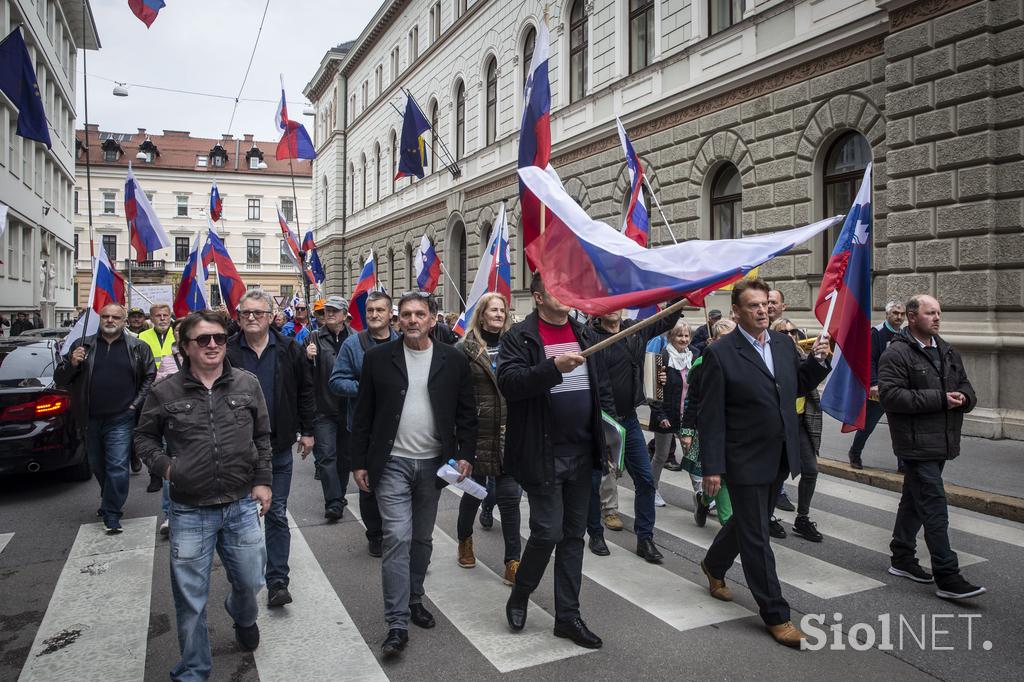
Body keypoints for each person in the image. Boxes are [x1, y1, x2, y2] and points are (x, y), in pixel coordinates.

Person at [135, 309, 272, 681]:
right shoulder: (165, 391)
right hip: (190, 509)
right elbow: (143, 437)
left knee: (250, 582)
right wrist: (166, 468)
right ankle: (194, 669)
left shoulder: (247, 384)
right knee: (190, 600)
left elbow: (262, 436)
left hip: (241, 504)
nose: (213, 345)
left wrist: (262, 481)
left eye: (220, 338)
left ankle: (243, 615)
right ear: (186, 347)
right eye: (203, 339)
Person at [697, 278, 831, 648]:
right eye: (754, 305)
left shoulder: (785, 345)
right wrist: (712, 466)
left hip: (779, 454)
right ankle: (776, 613)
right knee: (757, 537)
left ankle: (713, 565)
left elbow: (794, 386)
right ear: (737, 311)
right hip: (743, 457)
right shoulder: (720, 353)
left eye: (766, 304)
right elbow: (710, 415)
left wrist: (818, 362)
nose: (762, 310)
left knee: (747, 523)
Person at [350, 291, 477, 658]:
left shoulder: (453, 360)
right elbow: (364, 415)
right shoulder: (377, 359)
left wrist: (465, 454)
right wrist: (359, 462)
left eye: (419, 314)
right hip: (391, 463)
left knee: (421, 539)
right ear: (396, 319)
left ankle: (415, 598)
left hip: (434, 465)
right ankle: (396, 623)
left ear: (433, 319)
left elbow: (467, 413)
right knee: (396, 537)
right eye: (405, 314)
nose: (412, 320)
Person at [499, 273, 614, 650]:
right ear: (537, 297)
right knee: (548, 531)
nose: (564, 295)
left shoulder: (583, 332)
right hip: (542, 453)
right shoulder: (521, 336)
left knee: (573, 537)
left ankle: (568, 617)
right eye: (555, 290)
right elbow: (510, 385)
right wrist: (553, 369)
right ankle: (521, 594)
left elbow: (601, 387)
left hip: (581, 453)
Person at [878, 294, 985, 600]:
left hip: (942, 440)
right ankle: (948, 576)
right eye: (930, 313)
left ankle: (901, 557)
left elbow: (965, 386)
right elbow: (892, 397)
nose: (937, 317)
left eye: (939, 312)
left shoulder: (947, 350)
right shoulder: (897, 354)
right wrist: (940, 399)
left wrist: (965, 399)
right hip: (914, 443)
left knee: (914, 499)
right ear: (912, 317)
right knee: (934, 506)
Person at [226, 289, 315, 609]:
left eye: (258, 313)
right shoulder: (226, 350)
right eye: (246, 313)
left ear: (270, 316)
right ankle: (243, 579)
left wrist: (308, 431)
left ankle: (278, 581)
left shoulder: (290, 348)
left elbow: (306, 391)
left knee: (275, 513)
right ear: (238, 317)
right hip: (235, 448)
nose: (252, 318)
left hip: (276, 445)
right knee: (240, 517)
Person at [585, 305, 680, 563]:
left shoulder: (634, 331)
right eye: (608, 304)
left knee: (646, 481)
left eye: (619, 303)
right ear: (598, 310)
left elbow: (666, 319)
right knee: (596, 481)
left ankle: (645, 538)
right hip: (600, 422)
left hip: (629, 420)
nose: (613, 309)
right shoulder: (589, 337)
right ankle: (595, 533)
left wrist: (685, 291)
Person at [54, 303, 156, 533]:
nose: (110, 321)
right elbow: (60, 379)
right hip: (90, 417)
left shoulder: (138, 347)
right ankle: (107, 494)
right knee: (98, 466)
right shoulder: (82, 345)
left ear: (124, 321)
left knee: (118, 466)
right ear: (100, 319)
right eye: (106, 317)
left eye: (115, 317)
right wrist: (72, 364)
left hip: (121, 417)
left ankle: (112, 512)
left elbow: (149, 376)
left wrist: (134, 404)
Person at [453, 292, 523, 583]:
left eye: (502, 310)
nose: (498, 314)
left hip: (510, 432)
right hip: (477, 433)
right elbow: (454, 395)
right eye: (492, 310)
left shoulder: (516, 346)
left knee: (510, 499)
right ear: (481, 315)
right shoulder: (463, 349)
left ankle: (513, 561)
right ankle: (465, 541)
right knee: (474, 493)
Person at [329, 291, 398, 557]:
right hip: (364, 428)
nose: (374, 315)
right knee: (369, 484)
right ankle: (375, 534)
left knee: (397, 482)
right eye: (370, 311)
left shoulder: (402, 342)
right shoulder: (352, 344)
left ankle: (397, 531)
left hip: (397, 427)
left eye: (380, 310)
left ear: (390, 314)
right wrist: (364, 388)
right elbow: (336, 381)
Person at [680, 319, 736, 527]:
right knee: (719, 476)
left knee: (728, 476)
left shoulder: (743, 362)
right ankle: (728, 524)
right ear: (712, 341)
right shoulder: (703, 366)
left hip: (735, 432)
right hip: (711, 431)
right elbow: (692, 401)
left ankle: (703, 501)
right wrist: (687, 431)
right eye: (722, 339)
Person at [772, 318, 824, 542]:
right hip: (777, 424)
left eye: (794, 331)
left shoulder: (803, 355)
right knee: (777, 473)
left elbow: (807, 381)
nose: (791, 335)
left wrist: (819, 357)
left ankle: (802, 518)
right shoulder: (771, 360)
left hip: (800, 422)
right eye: (785, 332)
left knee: (811, 469)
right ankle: (766, 516)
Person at [305, 295, 351, 521]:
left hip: (349, 409)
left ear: (345, 315)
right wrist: (306, 356)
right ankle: (333, 502)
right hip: (323, 408)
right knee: (326, 457)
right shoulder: (313, 337)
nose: (329, 314)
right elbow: (302, 374)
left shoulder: (355, 339)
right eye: (325, 311)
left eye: (334, 310)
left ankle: (339, 496)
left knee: (344, 458)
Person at [848, 300, 906, 470]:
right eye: (895, 313)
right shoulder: (877, 333)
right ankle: (855, 453)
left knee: (900, 428)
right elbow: (870, 360)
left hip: (898, 389)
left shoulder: (903, 334)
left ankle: (902, 463)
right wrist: (874, 383)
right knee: (868, 425)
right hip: (879, 388)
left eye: (902, 314)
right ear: (887, 314)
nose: (899, 317)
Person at [649, 320, 694, 507]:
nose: (683, 339)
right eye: (679, 335)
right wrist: (661, 415)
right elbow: (653, 391)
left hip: (687, 415)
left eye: (686, 335)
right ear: (670, 337)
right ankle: (651, 489)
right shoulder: (663, 357)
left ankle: (701, 492)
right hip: (666, 415)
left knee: (691, 454)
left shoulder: (695, 355)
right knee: (661, 455)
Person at [138, 303, 176, 480]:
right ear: (151, 318)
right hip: (150, 392)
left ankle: (168, 471)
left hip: (173, 392)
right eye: (158, 316)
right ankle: (154, 476)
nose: (162, 319)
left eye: (165, 315)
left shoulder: (178, 334)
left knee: (170, 436)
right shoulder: (143, 336)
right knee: (153, 435)